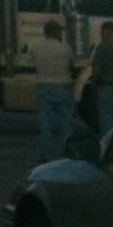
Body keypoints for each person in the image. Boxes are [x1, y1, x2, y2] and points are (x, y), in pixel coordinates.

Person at [32, 19, 75, 162]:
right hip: (63, 87)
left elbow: (32, 62)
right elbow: (71, 64)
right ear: (57, 32)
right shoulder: (65, 48)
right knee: (66, 123)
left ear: (45, 32)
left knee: (46, 124)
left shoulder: (37, 48)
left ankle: (46, 156)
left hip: (44, 87)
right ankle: (66, 154)